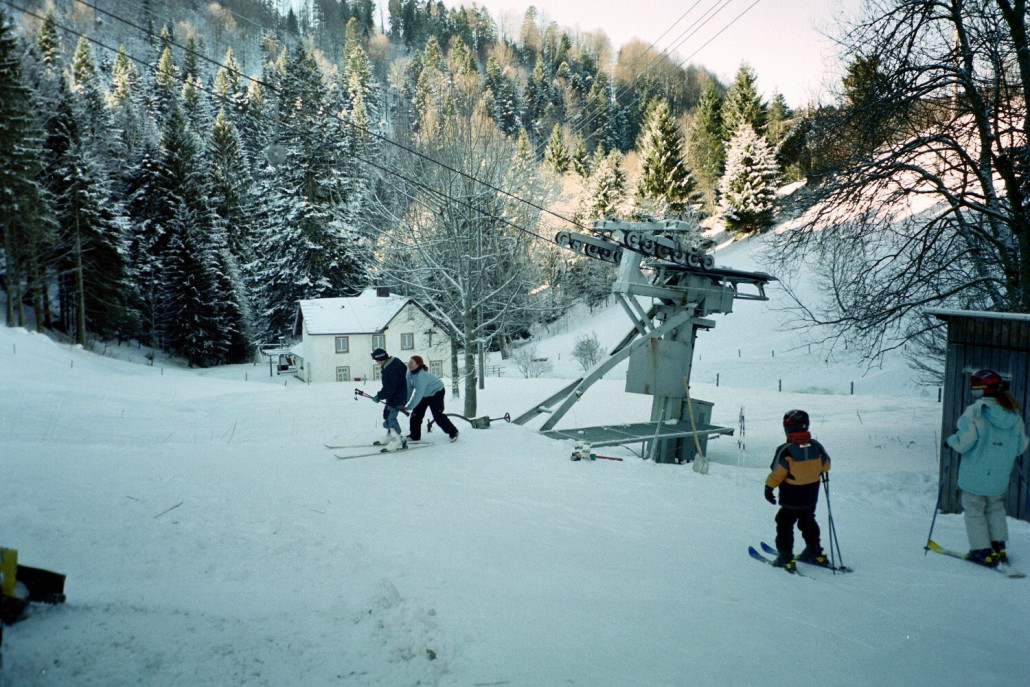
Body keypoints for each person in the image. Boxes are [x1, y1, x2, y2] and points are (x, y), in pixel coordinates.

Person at [945, 369, 1029, 567]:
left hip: (975, 474)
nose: (974, 391)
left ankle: (981, 551)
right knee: (995, 507)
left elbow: (964, 442)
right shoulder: (1013, 415)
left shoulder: (975, 413)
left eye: (976, 387)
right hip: (999, 475)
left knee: (974, 509)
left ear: (985, 389)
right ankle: (998, 548)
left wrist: (951, 441)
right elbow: (1021, 446)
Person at [764, 409, 831, 571]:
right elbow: (826, 465)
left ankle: (785, 557)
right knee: (808, 520)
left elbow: (777, 472)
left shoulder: (786, 449)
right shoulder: (816, 446)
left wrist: (769, 488)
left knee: (784, 523)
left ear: (787, 428)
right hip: (810, 496)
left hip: (791, 496)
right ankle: (814, 550)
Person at [403, 355, 459, 443]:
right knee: (416, 415)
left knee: (438, 415)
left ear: (418, 364)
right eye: (409, 362)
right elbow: (409, 390)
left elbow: (418, 394)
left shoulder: (421, 376)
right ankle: (415, 435)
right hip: (424, 394)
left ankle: (453, 432)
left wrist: (409, 407)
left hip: (436, 392)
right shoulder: (409, 374)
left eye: (411, 363)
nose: (409, 365)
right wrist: (403, 403)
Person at [371, 348, 408, 451]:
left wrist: (379, 396)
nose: (377, 362)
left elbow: (390, 387)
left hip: (397, 397)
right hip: (395, 396)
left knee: (391, 418)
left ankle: (398, 439)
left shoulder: (390, 369)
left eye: (377, 360)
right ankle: (390, 435)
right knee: (387, 415)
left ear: (381, 358)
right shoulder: (394, 362)